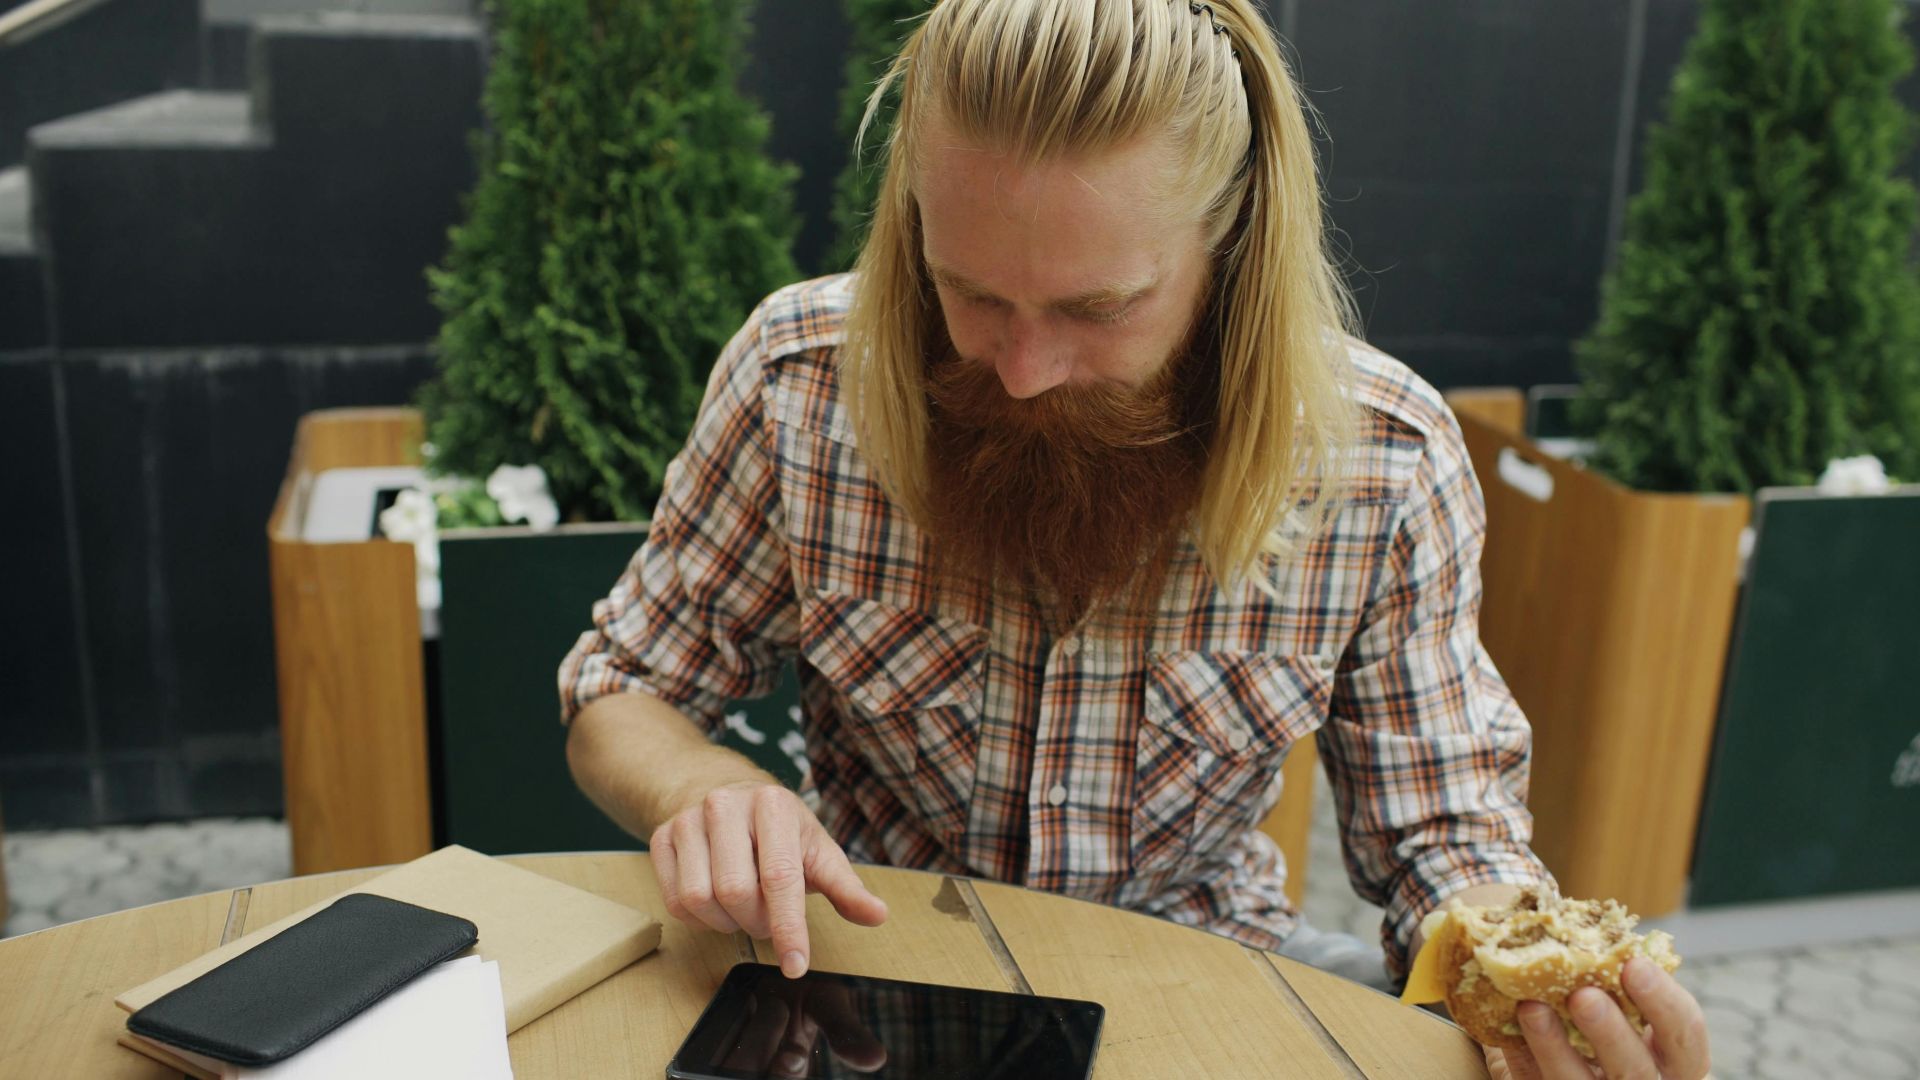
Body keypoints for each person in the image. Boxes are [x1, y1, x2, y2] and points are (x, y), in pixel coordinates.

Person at [559, 1, 1711, 1076]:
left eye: (1096, 309)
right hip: (875, 984)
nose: (1021, 370)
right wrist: (701, 786)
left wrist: (1530, 969)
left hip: (1207, 976)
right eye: (969, 293)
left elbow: (1442, 827)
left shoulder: (1382, 457)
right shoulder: (800, 382)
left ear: (1230, 248)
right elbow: (623, 686)